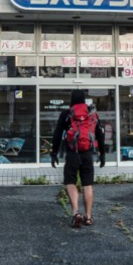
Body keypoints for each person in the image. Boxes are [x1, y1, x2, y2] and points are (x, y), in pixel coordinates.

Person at [51, 89, 106, 228]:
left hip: (72, 153)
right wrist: (102, 153)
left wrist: (54, 153)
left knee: (70, 182)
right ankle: (88, 217)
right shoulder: (91, 114)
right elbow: (100, 134)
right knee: (87, 184)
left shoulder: (66, 114)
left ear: (72, 99)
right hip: (87, 153)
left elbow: (57, 134)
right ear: (83, 99)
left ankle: (76, 213)